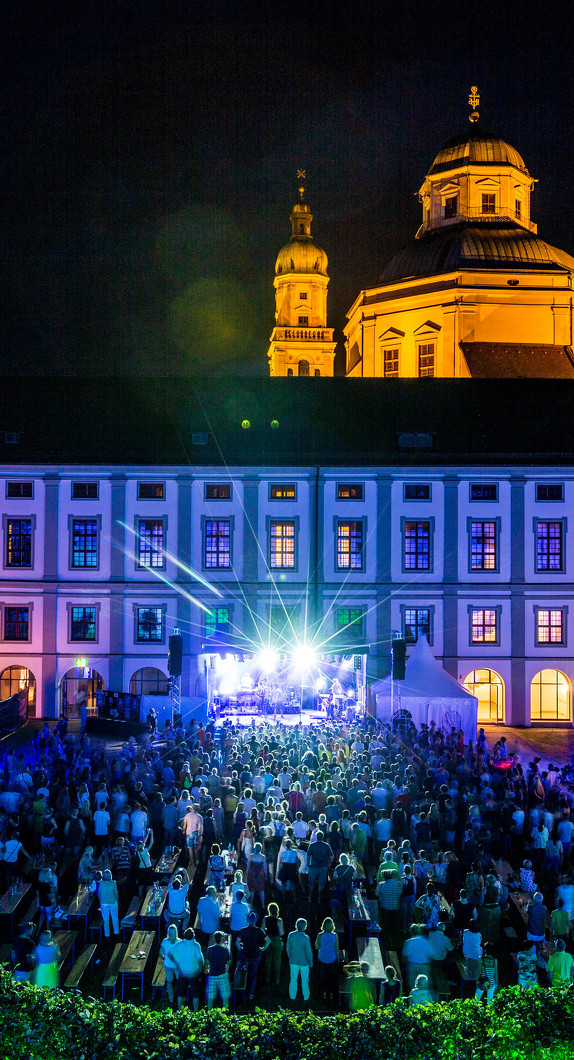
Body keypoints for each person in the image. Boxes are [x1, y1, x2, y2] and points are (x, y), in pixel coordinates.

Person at [237, 910, 268, 1001]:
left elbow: (237, 942)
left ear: (247, 920)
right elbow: (268, 940)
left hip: (245, 955)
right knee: (254, 975)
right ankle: (251, 994)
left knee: (243, 973)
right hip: (255, 955)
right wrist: (263, 948)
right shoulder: (259, 931)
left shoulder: (243, 930)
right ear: (256, 920)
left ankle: (242, 993)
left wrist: (240, 948)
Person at [171, 927, 205, 1010]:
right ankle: (196, 1010)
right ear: (193, 936)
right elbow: (200, 959)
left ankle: (180, 1010)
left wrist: (177, 963)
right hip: (193, 972)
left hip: (183, 971)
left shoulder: (180, 944)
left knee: (180, 993)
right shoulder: (196, 945)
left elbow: (170, 953)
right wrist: (201, 967)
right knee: (195, 993)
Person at [286, 918, 313, 1001]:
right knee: (304, 980)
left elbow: (288, 948)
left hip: (293, 960)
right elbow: (308, 951)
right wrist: (310, 961)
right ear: (305, 927)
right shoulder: (305, 938)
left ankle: (292, 996)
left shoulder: (291, 935)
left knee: (293, 979)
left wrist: (290, 957)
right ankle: (306, 996)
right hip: (304, 962)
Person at [315, 917, 340, 1004]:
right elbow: (336, 949)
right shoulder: (335, 935)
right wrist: (338, 959)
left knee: (322, 977)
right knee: (331, 977)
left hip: (322, 958)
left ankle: (324, 993)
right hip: (332, 958)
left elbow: (316, 946)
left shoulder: (320, 935)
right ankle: (332, 994)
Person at [205, 930, 232, 1009]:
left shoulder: (209, 949)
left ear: (214, 938)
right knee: (225, 996)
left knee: (210, 997)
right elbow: (229, 962)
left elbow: (207, 962)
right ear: (222, 939)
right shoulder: (226, 950)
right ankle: (224, 1014)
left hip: (212, 974)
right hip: (222, 974)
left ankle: (209, 1015)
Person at [306, 830, 333, 901]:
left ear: (316, 837)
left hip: (314, 866)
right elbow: (331, 856)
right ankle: (319, 898)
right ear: (323, 837)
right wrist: (329, 863)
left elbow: (308, 855)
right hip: (324, 866)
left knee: (311, 882)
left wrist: (308, 863)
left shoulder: (312, 845)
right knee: (321, 883)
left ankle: (310, 897)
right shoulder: (327, 845)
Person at [262, 902, 284, 986]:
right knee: (277, 960)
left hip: (268, 940)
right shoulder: (279, 920)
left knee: (268, 959)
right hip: (277, 940)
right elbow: (281, 933)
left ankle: (267, 978)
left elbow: (262, 930)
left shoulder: (265, 918)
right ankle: (277, 979)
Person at [159, 924, 181, 1004]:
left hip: (168, 964)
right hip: (177, 965)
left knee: (169, 982)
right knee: (179, 981)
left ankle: (171, 998)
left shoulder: (165, 941)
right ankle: (180, 997)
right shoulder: (179, 942)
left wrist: (164, 958)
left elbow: (160, 953)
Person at [246, 841, 267, 909]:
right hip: (260, 875)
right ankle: (263, 904)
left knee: (251, 891)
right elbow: (265, 868)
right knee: (261, 890)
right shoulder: (263, 857)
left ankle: (250, 904)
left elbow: (248, 867)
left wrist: (246, 875)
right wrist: (265, 876)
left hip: (252, 874)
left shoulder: (251, 856)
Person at [99, 868, 120, 937]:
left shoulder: (101, 883)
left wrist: (100, 902)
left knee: (105, 919)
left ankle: (107, 934)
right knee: (115, 917)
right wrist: (118, 901)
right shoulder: (113, 883)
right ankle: (116, 931)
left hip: (104, 903)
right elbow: (116, 894)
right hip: (113, 902)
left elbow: (99, 894)